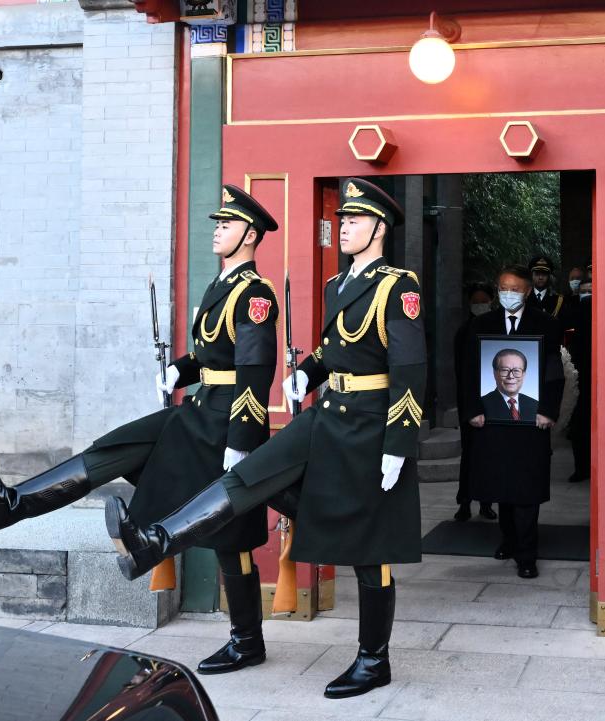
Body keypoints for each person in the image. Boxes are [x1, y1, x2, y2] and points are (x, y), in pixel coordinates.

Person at [104, 178, 426, 700]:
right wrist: (310, 374)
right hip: (326, 414)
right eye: (341, 218)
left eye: (355, 219)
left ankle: (373, 660)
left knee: (373, 548)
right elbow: (335, 350)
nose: (343, 226)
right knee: (247, 474)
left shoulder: (399, 285)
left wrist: (400, 442)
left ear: (379, 227)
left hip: (372, 422)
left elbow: (411, 369)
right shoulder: (336, 285)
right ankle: (156, 539)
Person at [0, 185, 280, 675]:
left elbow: (255, 373)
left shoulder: (256, 295)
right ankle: (12, 504)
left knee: (234, 538)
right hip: (197, 411)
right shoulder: (219, 286)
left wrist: (242, 443)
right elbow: (208, 355)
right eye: (217, 223)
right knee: (115, 447)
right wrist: (180, 371)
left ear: (250, 235)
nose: (217, 230)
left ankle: (247, 641)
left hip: (224, 422)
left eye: (227, 224)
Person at [463, 265, 564, 579]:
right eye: (504, 287)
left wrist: (548, 410)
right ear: (497, 289)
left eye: (516, 289)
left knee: (527, 489)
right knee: (501, 486)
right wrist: (471, 409)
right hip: (492, 422)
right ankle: (507, 540)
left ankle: (527, 555)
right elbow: (467, 372)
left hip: (530, 422)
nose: (509, 294)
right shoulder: (481, 324)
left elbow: (553, 371)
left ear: (527, 291)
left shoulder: (546, 324)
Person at [453, 283, 496, 522]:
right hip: (470, 402)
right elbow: (461, 372)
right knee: (469, 455)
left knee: (489, 456)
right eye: (476, 301)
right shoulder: (464, 331)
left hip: (494, 402)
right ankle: (464, 502)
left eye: (484, 300)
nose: (480, 305)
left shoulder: (497, 327)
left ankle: (487, 503)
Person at [566, 260, 593, 483]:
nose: (587, 296)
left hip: (600, 377)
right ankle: (581, 468)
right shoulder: (572, 310)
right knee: (580, 425)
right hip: (579, 376)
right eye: (583, 292)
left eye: (591, 292)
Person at [480, 348, 538, 422]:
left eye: (516, 371)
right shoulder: (481, 406)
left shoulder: (535, 405)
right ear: (495, 373)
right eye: (504, 370)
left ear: (524, 374)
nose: (510, 376)